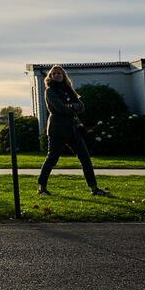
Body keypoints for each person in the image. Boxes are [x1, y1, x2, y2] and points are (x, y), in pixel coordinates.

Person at [36, 65, 111, 197]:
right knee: (52, 159)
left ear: (63, 75)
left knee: (85, 159)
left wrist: (70, 105)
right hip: (57, 129)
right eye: (53, 74)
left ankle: (94, 189)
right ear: (50, 76)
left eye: (59, 73)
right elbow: (60, 109)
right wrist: (71, 108)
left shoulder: (69, 89)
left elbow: (81, 106)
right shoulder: (50, 91)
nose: (56, 75)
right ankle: (42, 188)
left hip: (72, 129)